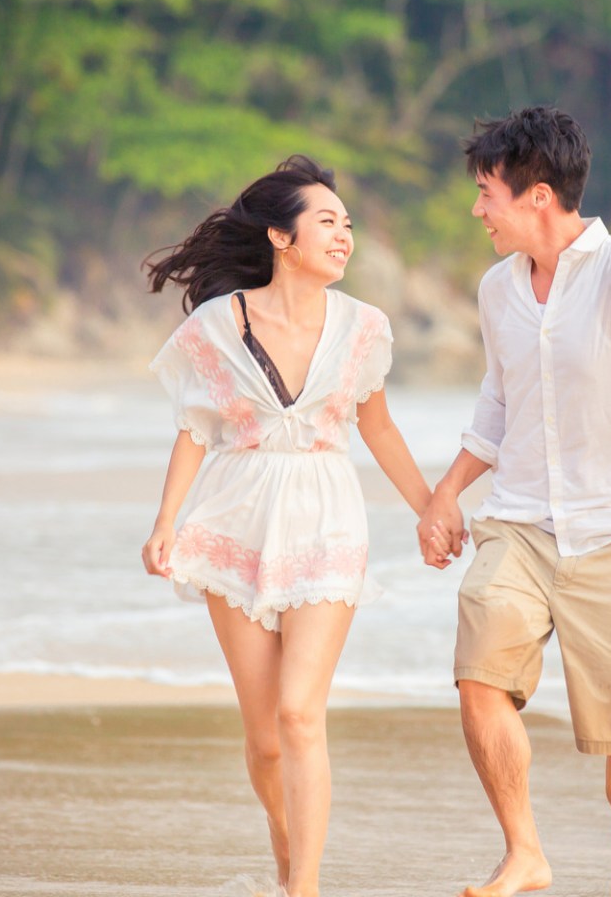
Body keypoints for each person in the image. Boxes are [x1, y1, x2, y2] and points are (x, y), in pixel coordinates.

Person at [418, 107, 611, 897]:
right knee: (479, 673)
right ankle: (525, 852)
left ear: (538, 196)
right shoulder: (498, 291)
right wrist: (445, 494)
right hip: (520, 522)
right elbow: (497, 406)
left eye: (487, 192)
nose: (476, 210)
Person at [141, 156, 432, 897]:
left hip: (327, 518)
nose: (344, 236)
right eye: (327, 222)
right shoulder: (220, 324)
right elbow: (195, 428)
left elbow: (382, 430)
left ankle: (303, 887)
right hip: (233, 517)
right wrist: (165, 522)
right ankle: (284, 839)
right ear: (280, 235)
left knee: (302, 714)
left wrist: (431, 505)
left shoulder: (365, 327)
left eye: (349, 225)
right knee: (266, 738)